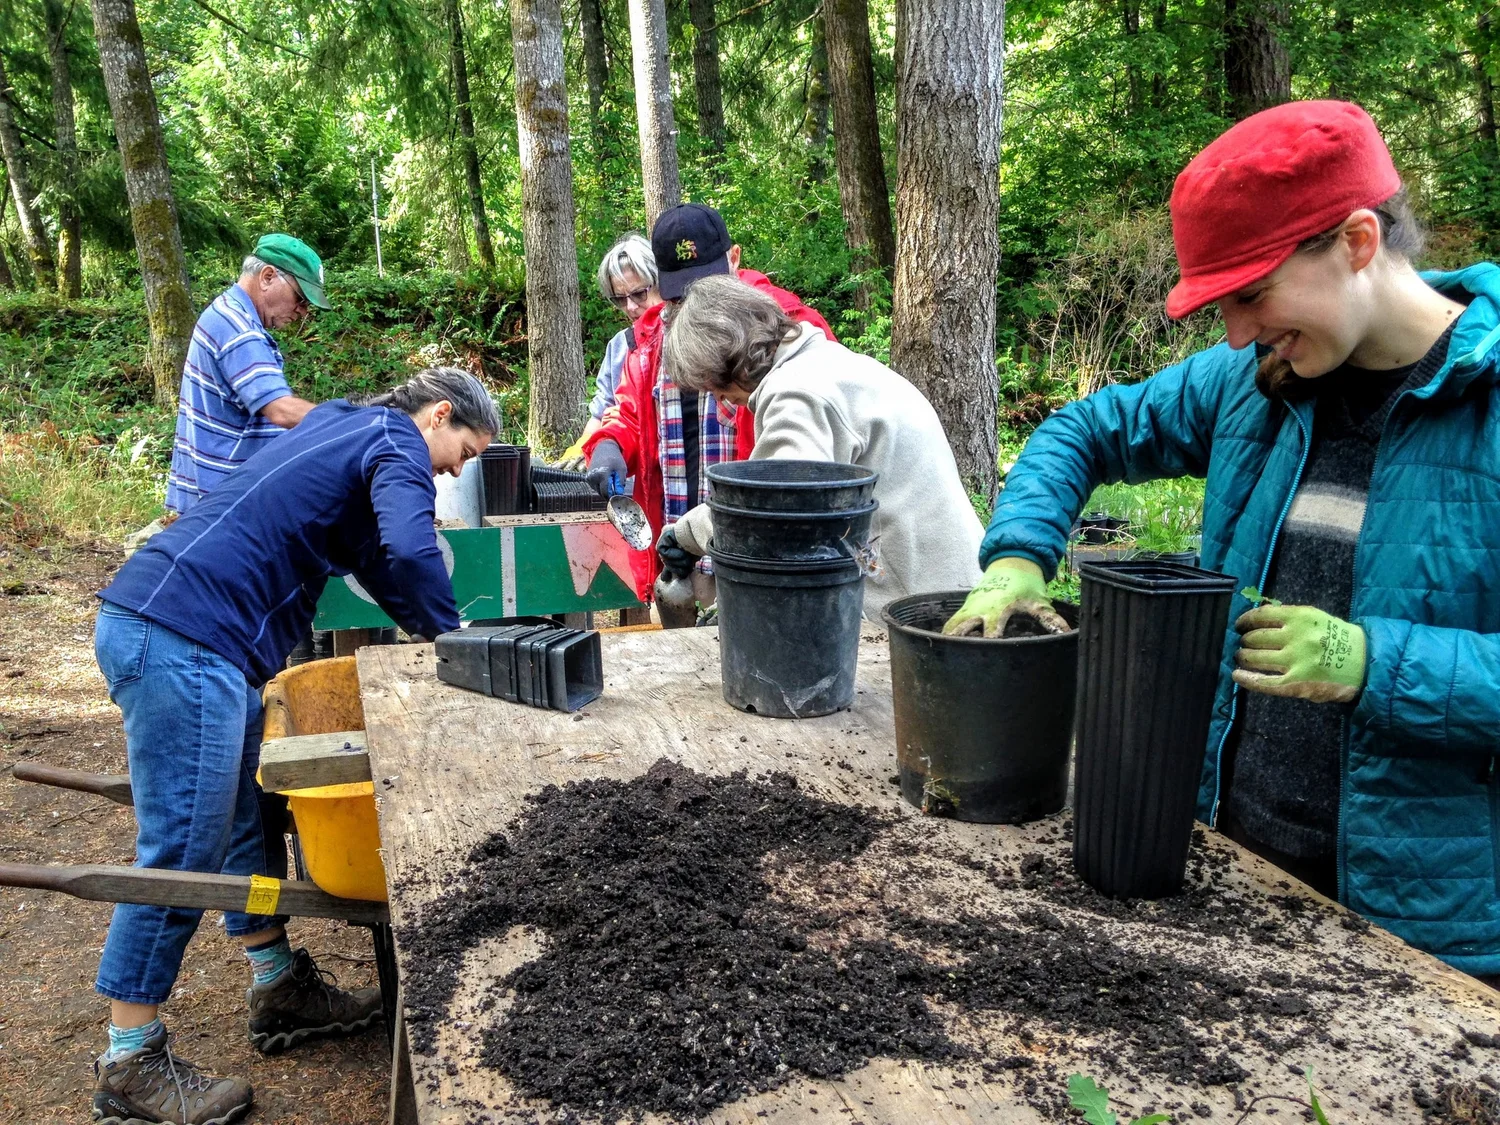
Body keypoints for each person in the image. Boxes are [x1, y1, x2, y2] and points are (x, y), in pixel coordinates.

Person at [944, 100, 1500, 979]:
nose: (1238, 333)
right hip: (1236, 883)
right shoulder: (1254, 379)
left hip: (1426, 941)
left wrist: (1375, 663)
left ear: (1357, 241)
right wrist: (1018, 557)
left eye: (1252, 295)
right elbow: (1082, 430)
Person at [89, 367, 499, 1124]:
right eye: (464, 452)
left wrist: (444, 638)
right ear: (438, 414)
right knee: (182, 847)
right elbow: (414, 552)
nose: (454, 472)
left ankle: (277, 984)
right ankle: (129, 1059)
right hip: (183, 637)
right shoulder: (394, 438)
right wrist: (458, 640)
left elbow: (382, 568)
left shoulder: (343, 423)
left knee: (247, 812)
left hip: (186, 633)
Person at [656, 275, 983, 619]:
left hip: (928, 611)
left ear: (727, 356)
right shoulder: (832, 366)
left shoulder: (799, 393)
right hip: (947, 588)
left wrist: (687, 533)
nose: (719, 397)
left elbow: (772, 520)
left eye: (713, 384)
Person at [583, 203, 835, 605]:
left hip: (755, 551)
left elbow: (811, 457)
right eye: (681, 292)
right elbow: (632, 416)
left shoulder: (784, 324)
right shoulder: (650, 340)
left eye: (707, 284)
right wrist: (609, 444)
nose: (695, 302)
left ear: (734, 259)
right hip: (678, 547)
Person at [165, 233, 330, 515]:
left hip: (216, 497)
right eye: (301, 298)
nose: (303, 312)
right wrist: (351, 424)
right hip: (224, 506)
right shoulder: (238, 329)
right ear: (268, 276)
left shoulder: (227, 312)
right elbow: (281, 410)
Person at [557, 233, 664, 470]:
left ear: (660, 283)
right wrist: (579, 451)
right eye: (620, 299)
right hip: (629, 474)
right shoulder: (619, 347)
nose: (631, 307)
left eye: (639, 294)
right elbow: (601, 413)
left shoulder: (684, 338)